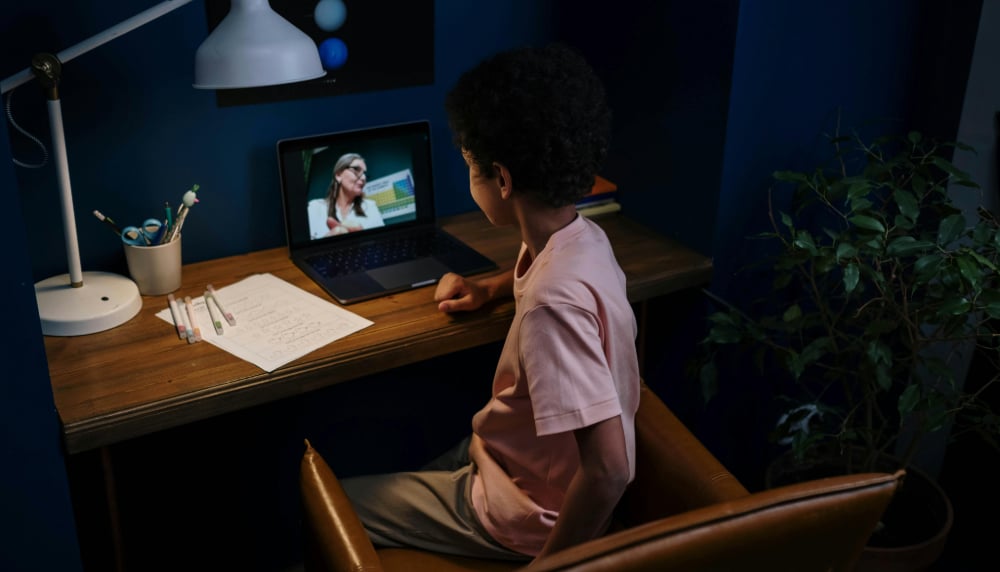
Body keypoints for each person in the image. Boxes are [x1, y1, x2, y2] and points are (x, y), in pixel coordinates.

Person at [339, 43, 640, 565]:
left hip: (525, 514)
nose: (469, 176)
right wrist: (490, 288)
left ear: (502, 179)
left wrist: (551, 566)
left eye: (469, 165)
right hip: (512, 457)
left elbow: (611, 469)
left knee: (335, 502)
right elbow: (547, 279)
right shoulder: (578, 237)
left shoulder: (552, 305)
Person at [307, 152, 385, 238]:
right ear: (338, 175)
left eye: (364, 173)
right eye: (356, 169)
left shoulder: (370, 207)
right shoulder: (315, 208)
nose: (363, 178)